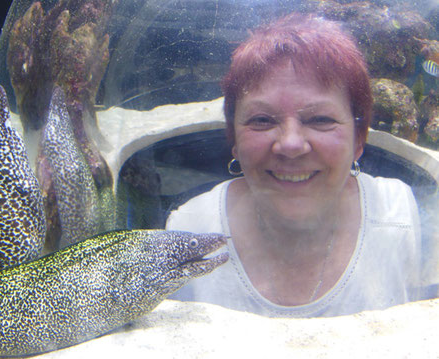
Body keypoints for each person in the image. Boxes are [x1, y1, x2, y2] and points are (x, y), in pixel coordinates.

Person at [166, 13, 422, 317]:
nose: (290, 144)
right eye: (262, 120)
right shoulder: (189, 230)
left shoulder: (399, 216)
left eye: (320, 119)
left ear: (359, 140)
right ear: (233, 139)